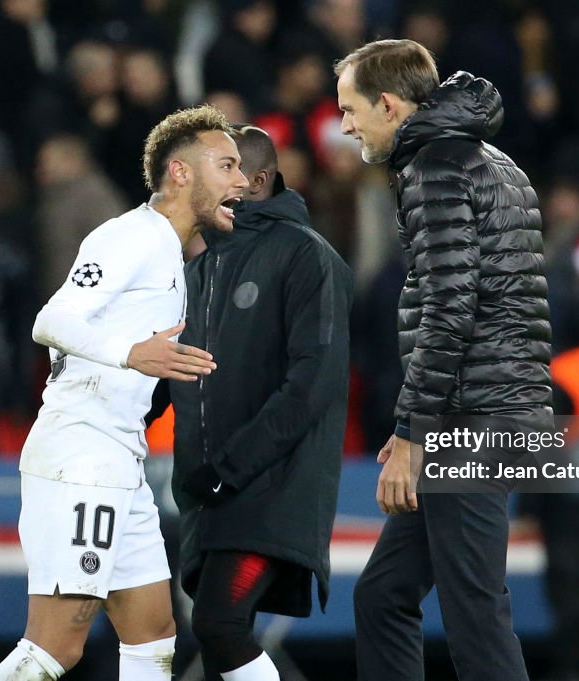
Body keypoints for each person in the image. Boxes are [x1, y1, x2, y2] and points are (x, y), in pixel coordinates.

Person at [0, 105, 247, 681]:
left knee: (153, 635)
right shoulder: (131, 236)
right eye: (226, 165)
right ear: (180, 172)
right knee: (54, 647)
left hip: (118, 460)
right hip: (82, 456)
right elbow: (51, 319)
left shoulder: (171, 254)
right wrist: (132, 353)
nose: (242, 181)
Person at [335, 39, 551, 681]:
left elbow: (451, 307)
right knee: (383, 595)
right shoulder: (495, 161)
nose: (345, 125)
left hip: (471, 421)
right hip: (497, 409)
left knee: (475, 614)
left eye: (351, 109)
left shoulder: (432, 167)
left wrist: (410, 433)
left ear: (389, 103)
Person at [166, 125, 352, 681]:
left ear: (258, 180)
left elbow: (313, 383)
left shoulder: (307, 256)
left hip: (271, 486)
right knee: (213, 629)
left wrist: (231, 468)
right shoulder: (198, 269)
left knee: (220, 623)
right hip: (211, 493)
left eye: (224, 170)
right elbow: (170, 376)